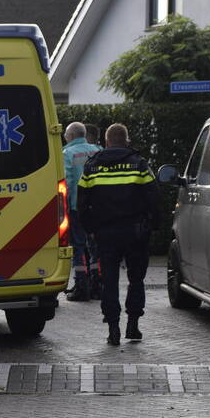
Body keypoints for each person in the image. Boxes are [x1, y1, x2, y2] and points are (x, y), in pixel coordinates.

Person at [77, 123, 159, 345]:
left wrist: (92, 230)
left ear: (106, 141)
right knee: (136, 280)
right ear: (127, 140)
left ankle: (113, 329)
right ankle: (133, 325)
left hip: (105, 234)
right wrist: (151, 227)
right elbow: (153, 198)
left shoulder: (92, 166)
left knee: (109, 281)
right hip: (135, 233)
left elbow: (82, 204)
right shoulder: (140, 164)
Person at [62, 122, 102, 301]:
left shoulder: (67, 153)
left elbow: (68, 182)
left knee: (78, 246)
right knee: (96, 246)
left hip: (78, 207)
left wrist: (66, 208)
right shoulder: (98, 150)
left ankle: (81, 286)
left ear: (70, 136)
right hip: (99, 206)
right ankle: (98, 285)